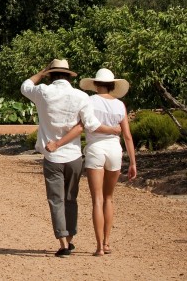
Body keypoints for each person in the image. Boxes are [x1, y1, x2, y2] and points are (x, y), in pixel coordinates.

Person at [21, 59, 121, 258]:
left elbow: (25, 86)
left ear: (51, 75)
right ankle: (71, 236)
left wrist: (41, 72)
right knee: (70, 198)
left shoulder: (43, 92)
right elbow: (90, 124)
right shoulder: (81, 96)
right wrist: (112, 130)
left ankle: (63, 243)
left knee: (56, 200)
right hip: (74, 155)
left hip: (52, 156)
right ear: (69, 76)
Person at [46, 68, 137, 257]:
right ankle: (107, 242)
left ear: (95, 84)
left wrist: (59, 141)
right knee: (109, 198)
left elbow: (81, 126)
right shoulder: (120, 105)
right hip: (114, 150)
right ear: (112, 85)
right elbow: (127, 136)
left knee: (97, 199)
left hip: (96, 149)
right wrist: (133, 162)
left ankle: (99, 247)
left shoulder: (89, 101)